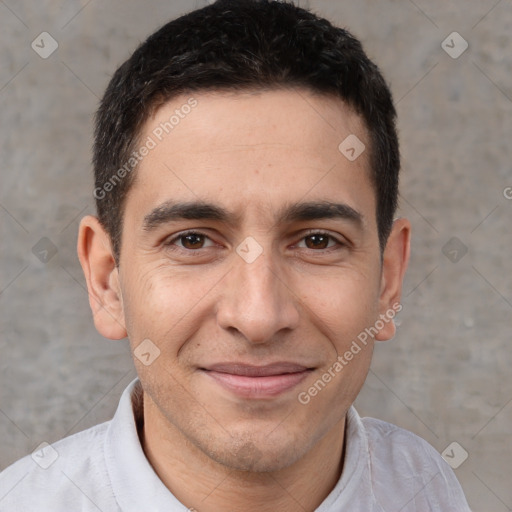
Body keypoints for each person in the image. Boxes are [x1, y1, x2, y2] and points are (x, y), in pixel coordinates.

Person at [0, 1, 472, 510]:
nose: (258, 317)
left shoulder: (428, 488)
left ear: (388, 281)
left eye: (317, 240)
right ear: (107, 280)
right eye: (192, 241)